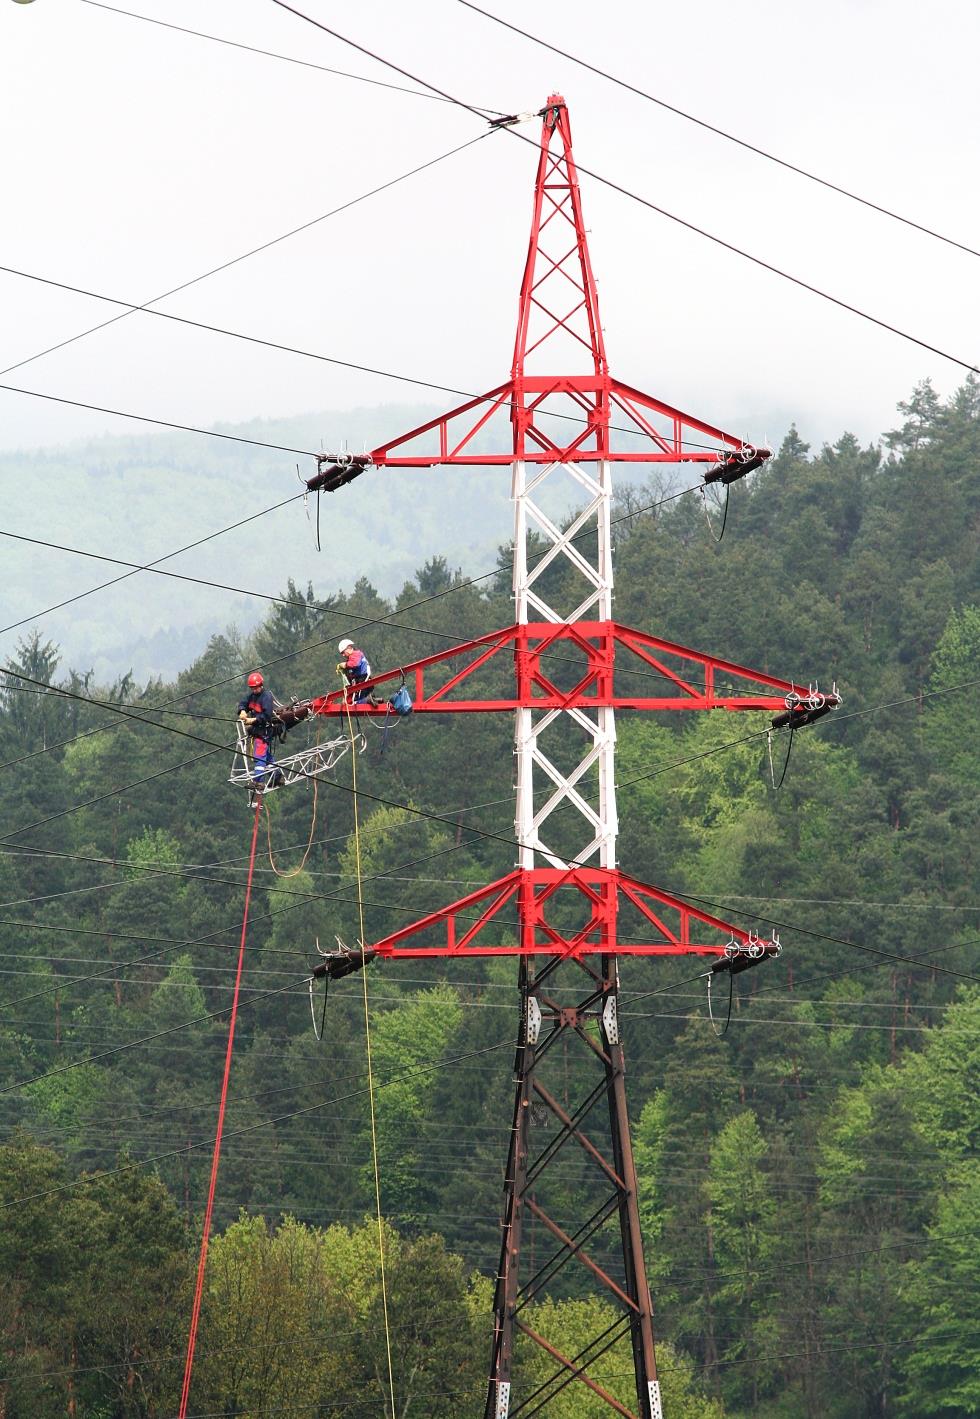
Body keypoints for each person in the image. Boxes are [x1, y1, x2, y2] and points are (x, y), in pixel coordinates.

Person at [237, 670, 284, 797]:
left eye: (256, 687)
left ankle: (258, 781)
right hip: (257, 730)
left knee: (259, 756)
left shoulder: (266, 697)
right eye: (252, 688)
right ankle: (278, 777)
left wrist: (254, 719)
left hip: (265, 731)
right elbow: (243, 703)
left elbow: (267, 715)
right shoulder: (252, 696)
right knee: (266, 756)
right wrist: (242, 711)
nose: (254, 690)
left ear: (261, 685)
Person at [337, 639, 378, 704]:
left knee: (354, 702)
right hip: (362, 682)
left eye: (343, 652)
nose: (343, 655)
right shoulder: (354, 656)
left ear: (349, 648)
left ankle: (368, 700)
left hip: (362, 682)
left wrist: (345, 664)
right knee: (354, 700)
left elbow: (355, 663)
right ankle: (373, 700)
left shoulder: (355, 654)